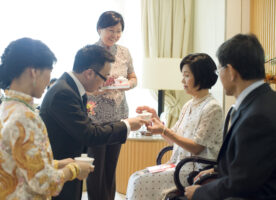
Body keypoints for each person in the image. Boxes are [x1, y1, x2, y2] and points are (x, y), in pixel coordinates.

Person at [0, 37, 94, 200]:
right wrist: (75, 170)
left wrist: (57, 164)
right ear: (34, 71)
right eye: (49, 71)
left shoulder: (5, 107)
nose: (49, 79)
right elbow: (45, 184)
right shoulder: (25, 117)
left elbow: (19, 164)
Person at [39, 44, 146, 200]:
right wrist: (127, 125)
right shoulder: (64, 93)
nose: (104, 83)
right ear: (89, 73)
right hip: (61, 166)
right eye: (104, 77)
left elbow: (87, 127)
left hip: (68, 162)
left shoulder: (71, 88)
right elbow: (89, 134)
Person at [185, 34, 276, 200]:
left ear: (232, 71)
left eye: (219, 69)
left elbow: (242, 184)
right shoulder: (262, 102)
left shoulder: (257, 117)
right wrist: (216, 170)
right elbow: (251, 164)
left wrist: (199, 193)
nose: (219, 76)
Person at [126, 53, 224, 200]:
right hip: (178, 165)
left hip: (195, 171)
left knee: (139, 181)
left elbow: (197, 147)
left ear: (201, 76)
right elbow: (174, 140)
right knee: (135, 177)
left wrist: (164, 130)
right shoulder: (188, 105)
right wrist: (157, 121)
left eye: (186, 76)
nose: (182, 80)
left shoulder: (212, 108)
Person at [86, 11, 138, 200]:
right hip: (96, 116)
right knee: (95, 167)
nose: (115, 35)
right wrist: (100, 86)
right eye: (110, 30)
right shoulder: (90, 52)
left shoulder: (124, 52)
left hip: (119, 114)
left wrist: (128, 84)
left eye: (118, 31)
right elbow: (83, 83)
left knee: (111, 165)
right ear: (99, 29)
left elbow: (133, 77)